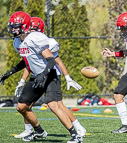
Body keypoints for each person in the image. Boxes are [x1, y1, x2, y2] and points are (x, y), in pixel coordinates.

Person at [0, 11, 83, 143]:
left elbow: (51, 60)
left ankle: (76, 135)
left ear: (26, 26)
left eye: (16, 26)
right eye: (12, 26)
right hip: (36, 76)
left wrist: (43, 75)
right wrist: (9, 73)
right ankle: (39, 131)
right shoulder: (17, 42)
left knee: (53, 105)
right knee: (21, 107)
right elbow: (26, 61)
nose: (13, 29)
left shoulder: (35, 38)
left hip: (49, 75)